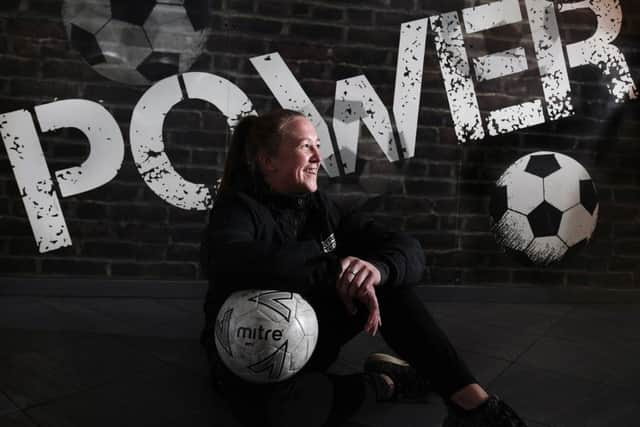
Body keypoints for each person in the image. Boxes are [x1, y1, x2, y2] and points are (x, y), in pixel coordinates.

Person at [200, 109, 528, 427]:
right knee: (282, 413)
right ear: (268, 161)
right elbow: (230, 259)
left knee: (382, 283)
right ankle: (386, 382)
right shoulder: (237, 208)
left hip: (311, 340)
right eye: (305, 147)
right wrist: (334, 268)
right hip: (250, 355)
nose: (318, 156)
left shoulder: (322, 208)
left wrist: (376, 269)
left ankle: (474, 407)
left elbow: (407, 249)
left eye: (318, 145)